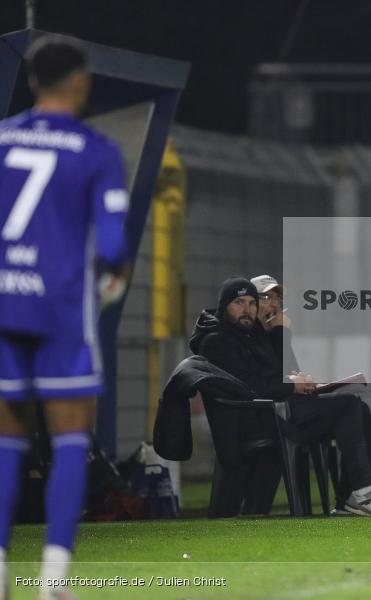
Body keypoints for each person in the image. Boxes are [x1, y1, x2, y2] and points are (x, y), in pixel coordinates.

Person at [0, 37, 131, 600]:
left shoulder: (1, 142)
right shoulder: (95, 150)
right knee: (71, 433)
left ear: (31, 82)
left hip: (4, 304)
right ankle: (53, 579)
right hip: (59, 310)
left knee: (6, 439)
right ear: (80, 82)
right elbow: (113, 241)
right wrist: (113, 275)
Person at [189, 277, 371, 517]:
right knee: (349, 405)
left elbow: (282, 371)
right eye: (239, 302)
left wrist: (284, 346)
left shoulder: (253, 334)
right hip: (260, 419)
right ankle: (366, 482)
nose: (247, 309)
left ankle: (358, 493)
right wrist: (292, 384)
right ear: (224, 306)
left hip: (279, 412)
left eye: (252, 302)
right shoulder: (217, 341)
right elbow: (247, 385)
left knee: (354, 402)